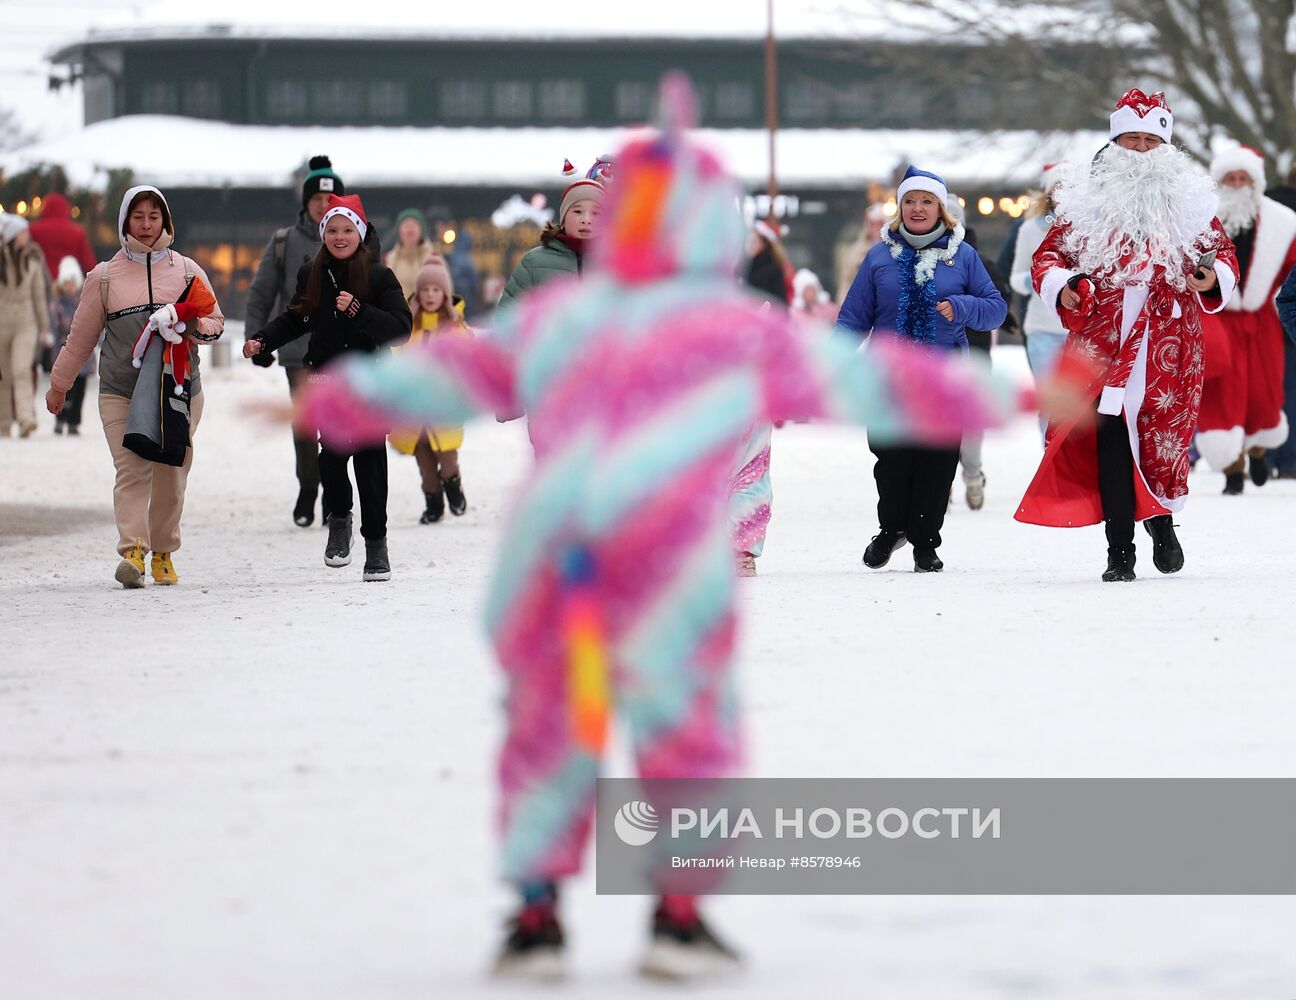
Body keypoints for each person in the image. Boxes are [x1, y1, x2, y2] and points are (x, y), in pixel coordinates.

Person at [291, 75, 1021, 983]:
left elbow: (465, 373)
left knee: (567, 733)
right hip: (655, 569)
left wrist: (346, 399)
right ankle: (649, 911)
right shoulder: (717, 327)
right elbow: (864, 380)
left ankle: (551, 914)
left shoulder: (586, 317)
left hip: (578, 561)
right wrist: (1012, 393)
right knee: (672, 733)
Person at [1016, 89, 1238, 582]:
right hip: (1103, 344)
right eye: (1130, 140)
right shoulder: (1084, 204)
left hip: (1168, 346)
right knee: (1110, 445)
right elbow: (1048, 257)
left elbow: (1222, 256)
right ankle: (1120, 552)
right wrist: (1065, 284)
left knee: (1159, 443)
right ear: (1114, 144)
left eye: (1148, 141)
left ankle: (1160, 522)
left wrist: (1210, 277)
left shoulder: (1192, 206)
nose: (1139, 150)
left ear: (1165, 148)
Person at [45, 186, 224, 586]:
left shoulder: (187, 271)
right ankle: (132, 552)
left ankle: (163, 552)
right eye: (138, 217)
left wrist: (190, 323)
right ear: (125, 221)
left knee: (171, 473)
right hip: (120, 393)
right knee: (132, 469)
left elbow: (216, 323)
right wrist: (60, 384)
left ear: (166, 221)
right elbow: (80, 339)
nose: (146, 225)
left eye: (153, 217)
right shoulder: (104, 277)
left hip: (178, 391)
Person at [837, 166, 1008, 572]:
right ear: (899, 208)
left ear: (941, 210)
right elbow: (854, 315)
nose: (918, 208)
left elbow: (996, 308)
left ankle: (925, 543)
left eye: (926, 201)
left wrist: (963, 307)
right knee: (891, 460)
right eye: (910, 201)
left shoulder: (962, 255)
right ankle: (892, 528)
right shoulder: (879, 255)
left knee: (936, 462)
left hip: (943, 376)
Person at [243, 194, 411, 581]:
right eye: (332, 230)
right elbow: (297, 317)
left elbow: (402, 329)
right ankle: (339, 519)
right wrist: (263, 340)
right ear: (323, 234)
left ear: (361, 232)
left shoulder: (379, 276)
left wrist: (359, 310)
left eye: (347, 229)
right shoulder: (312, 272)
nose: (339, 236)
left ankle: (376, 543)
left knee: (370, 465)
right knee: (332, 459)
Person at [244, 154, 348, 528]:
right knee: (306, 421)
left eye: (330, 198)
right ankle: (309, 486)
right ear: (306, 202)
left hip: (342, 352)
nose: (323, 205)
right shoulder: (284, 242)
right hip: (298, 351)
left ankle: (334, 494)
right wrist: (258, 339)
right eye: (317, 198)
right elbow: (261, 294)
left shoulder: (349, 240)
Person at [1195, 144, 1296, 493]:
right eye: (1230, 178)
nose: (1237, 184)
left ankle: (1258, 449)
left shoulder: (1283, 223)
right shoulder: (1199, 219)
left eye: (1243, 178)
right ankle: (1231, 468)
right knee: (1221, 393)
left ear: (1255, 182)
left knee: (1264, 393)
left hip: (1261, 319)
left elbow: (1290, 269)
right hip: (1217, 317)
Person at [388, 254, 470, 523]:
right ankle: (433, 503)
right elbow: (398, 358)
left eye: (436, 290)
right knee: (424, 463)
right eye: (425, 290)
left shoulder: (455, 328)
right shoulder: (408, 326)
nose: (430, 295)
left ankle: (453, 487)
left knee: (447, 460)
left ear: (445, 294)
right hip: (414, 412)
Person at [947, 194, 1011, 511]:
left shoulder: (977, 260)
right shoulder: (913, 262)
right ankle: (940, 479)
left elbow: (1000, 296)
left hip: (974, 352)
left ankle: (972, 473)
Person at [1011, 162, 1071, 440]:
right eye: (1060, 187)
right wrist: (1042, 280)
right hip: (1042, 330)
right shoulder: (1031, 230)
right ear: (1050, 193)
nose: (1065, 193)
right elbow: (1016, 278)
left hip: (1080, 331)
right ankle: (1050, 456)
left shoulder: (1090, 229)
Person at [498, 160, 606, 308]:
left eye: (596, 213)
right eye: (577, 211)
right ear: (563, 219)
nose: (586, 220)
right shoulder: (534, 261)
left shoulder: (616, 264)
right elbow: (508, 315)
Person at [0, 214, 52, 438]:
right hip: (2, 323)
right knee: (3, 375)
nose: (27, 236)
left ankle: (25, 418)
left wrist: (44, 328)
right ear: (12, 236)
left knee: (21, 370)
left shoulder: (33, 261)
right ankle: (3, 423)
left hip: (26, 323)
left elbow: (39, 297)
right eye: (23, 233)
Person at [49, 256, 94, 435]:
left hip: (84, 352)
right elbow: (52, 323)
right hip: (63, 349)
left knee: (80, 389)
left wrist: (98, 340)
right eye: (66, 283)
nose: (69, 287)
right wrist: (50, 338)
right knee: (63, 387)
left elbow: (94, 322)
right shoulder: (57, 304)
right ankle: (60, 418)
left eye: (72, 283)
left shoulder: (85, 302)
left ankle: (74, 421)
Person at [28, 192, 96, 282]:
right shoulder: (77, 233)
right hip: (68, 284)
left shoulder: (34, 230)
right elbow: (89, 264)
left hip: (40, 280)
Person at [834, 203, 886, 306]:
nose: (876, 228)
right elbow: (846, 281)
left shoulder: (895, 248)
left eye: (879, 223)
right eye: (872, 224)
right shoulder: (856, 251)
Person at [384, 208, 437, 301]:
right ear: (399, 231)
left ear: (422, 230)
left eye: (414, 224)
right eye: (406, 225)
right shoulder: (389, 259)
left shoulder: (433, 257)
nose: (410, 228)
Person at [742, 219, 792, 306]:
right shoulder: (745, 267)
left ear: (763, 243)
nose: (750, 245)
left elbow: (779, 303)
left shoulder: (772, 269)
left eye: (754, 241)